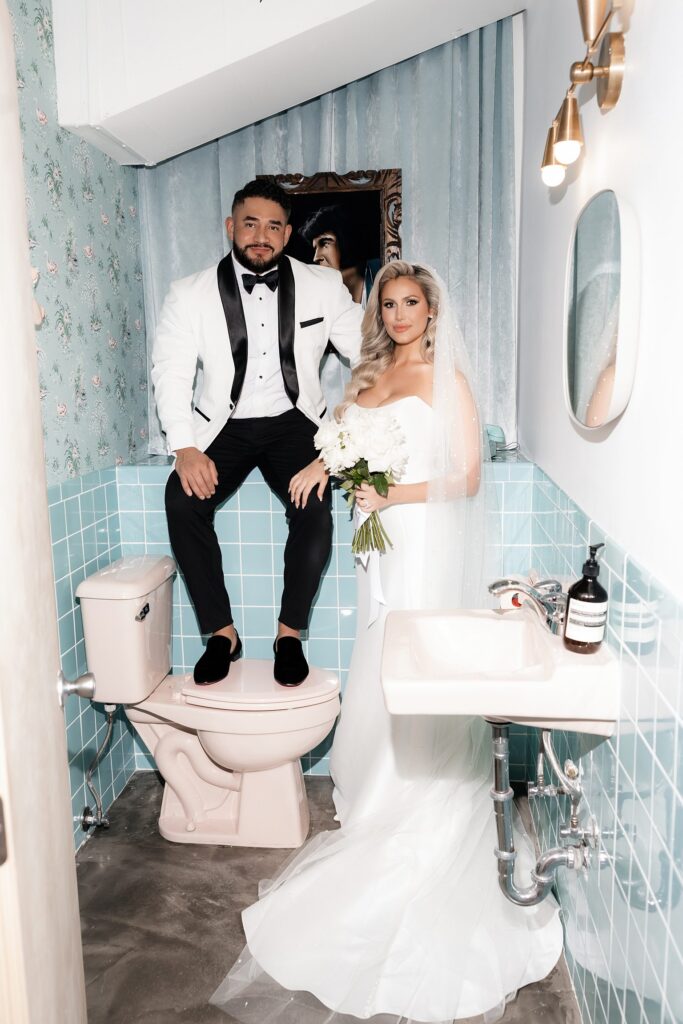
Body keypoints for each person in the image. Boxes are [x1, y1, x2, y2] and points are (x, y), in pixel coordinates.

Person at [210, 262, 563, 1023]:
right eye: (388, 303)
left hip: (422, 539)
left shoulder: (445, 376)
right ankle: (373, 791)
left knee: (412, 654)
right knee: (379, 652)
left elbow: (465, 476)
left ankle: (416, 794)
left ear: (431, 310)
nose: (398, 314)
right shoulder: (370, 370)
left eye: (410, 302)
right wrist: (319, 464)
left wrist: (384, 493)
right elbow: (341, 440)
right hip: (382, 546)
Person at [151, 179, 363, 687]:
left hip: (295, 420)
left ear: (288, 233)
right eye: (250, 223)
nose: (260, 235)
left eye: (273, 226)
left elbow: (369, 358)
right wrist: (184, 447)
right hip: (223, 423)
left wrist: (339, 436)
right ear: (231, 227)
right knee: (181, 502)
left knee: (315, 508)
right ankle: (222, 634)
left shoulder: (323, 287)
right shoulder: (189, 294)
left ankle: (288, 635)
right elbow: (171, 372)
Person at [300, 204, 380, 306]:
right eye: (315, 248)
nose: (316, 258)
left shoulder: (383, 273)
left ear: (346, 239)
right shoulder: (321, 295)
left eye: (324, 243)